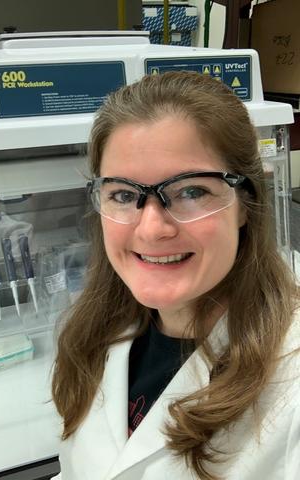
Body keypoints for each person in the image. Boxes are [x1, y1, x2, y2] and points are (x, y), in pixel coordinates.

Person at [51, 71, 300, 480]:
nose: (151, 229)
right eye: (124, 195)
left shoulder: (291, 393)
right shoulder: (92, 334)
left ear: (244, 203)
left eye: (191, 191)